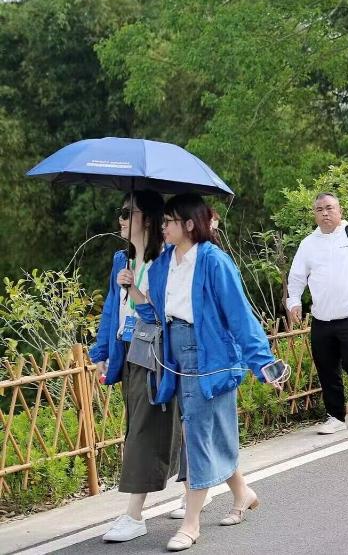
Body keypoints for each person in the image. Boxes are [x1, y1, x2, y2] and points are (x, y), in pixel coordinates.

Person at [136, 194, 285, 551]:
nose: (162, 227)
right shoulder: (161, 265)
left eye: (169, 221)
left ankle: (191, 523)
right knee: (205, 432)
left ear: (189, 224)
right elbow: (157, 315)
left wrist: (263, 363)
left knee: (197, 436)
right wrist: (134, 291)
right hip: (176, 358)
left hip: (210, 357)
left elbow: (239, 315)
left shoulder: (214, 261)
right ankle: (242, 492)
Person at [92, 191, 183, 544]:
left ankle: (133, 515)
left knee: (144, 430)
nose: (121, 219)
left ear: (147, 218)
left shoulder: (166, 260)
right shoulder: (122, 259)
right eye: (121, 212)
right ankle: (203, 486)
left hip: (154, 352)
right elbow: (110, 309)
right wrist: (101, 352)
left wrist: (135, 290)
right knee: (151, 424)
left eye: (127, 212)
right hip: (127, 350)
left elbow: (162, 315)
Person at [286, 192, 348, 434]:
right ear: (314, 214)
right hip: (322, 317)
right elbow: (297, 276)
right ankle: (336, 417)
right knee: (326, 367)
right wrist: (294, 302)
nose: (325, 213)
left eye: (330, 208)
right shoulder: (308, 244)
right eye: (319, 209)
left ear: (340, 210)